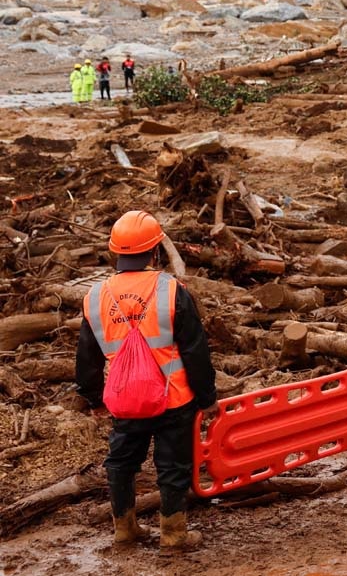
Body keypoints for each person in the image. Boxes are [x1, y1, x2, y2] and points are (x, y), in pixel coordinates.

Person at [76, 211, 217, 550]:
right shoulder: (171, 291)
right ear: (155, 251)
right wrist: (207, 397)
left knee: (121, 463)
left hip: (125, 401)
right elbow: (196, 351)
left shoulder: (95, 298)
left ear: (116, 254)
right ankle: (173, 534)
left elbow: (86, 358)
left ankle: (124, 529)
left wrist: (93, 399)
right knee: (172, 466)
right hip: (175, 399)